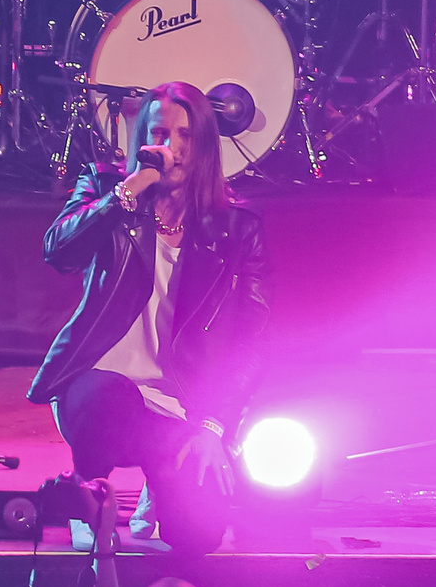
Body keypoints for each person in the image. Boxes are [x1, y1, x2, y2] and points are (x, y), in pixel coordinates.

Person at [29, 84, 271, 555]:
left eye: (186, 135)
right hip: (94, 388)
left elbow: (253, 343)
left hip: (180, 402)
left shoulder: (239, 229)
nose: (174, 148)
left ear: (204, 145)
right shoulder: (105, 190)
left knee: (198, 536)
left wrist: (213, 427)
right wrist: (130, 189)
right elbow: (59, 252)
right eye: (161, 132)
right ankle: (89, 492)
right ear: (143, 137)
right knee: (107, 396)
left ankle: (160, 480)